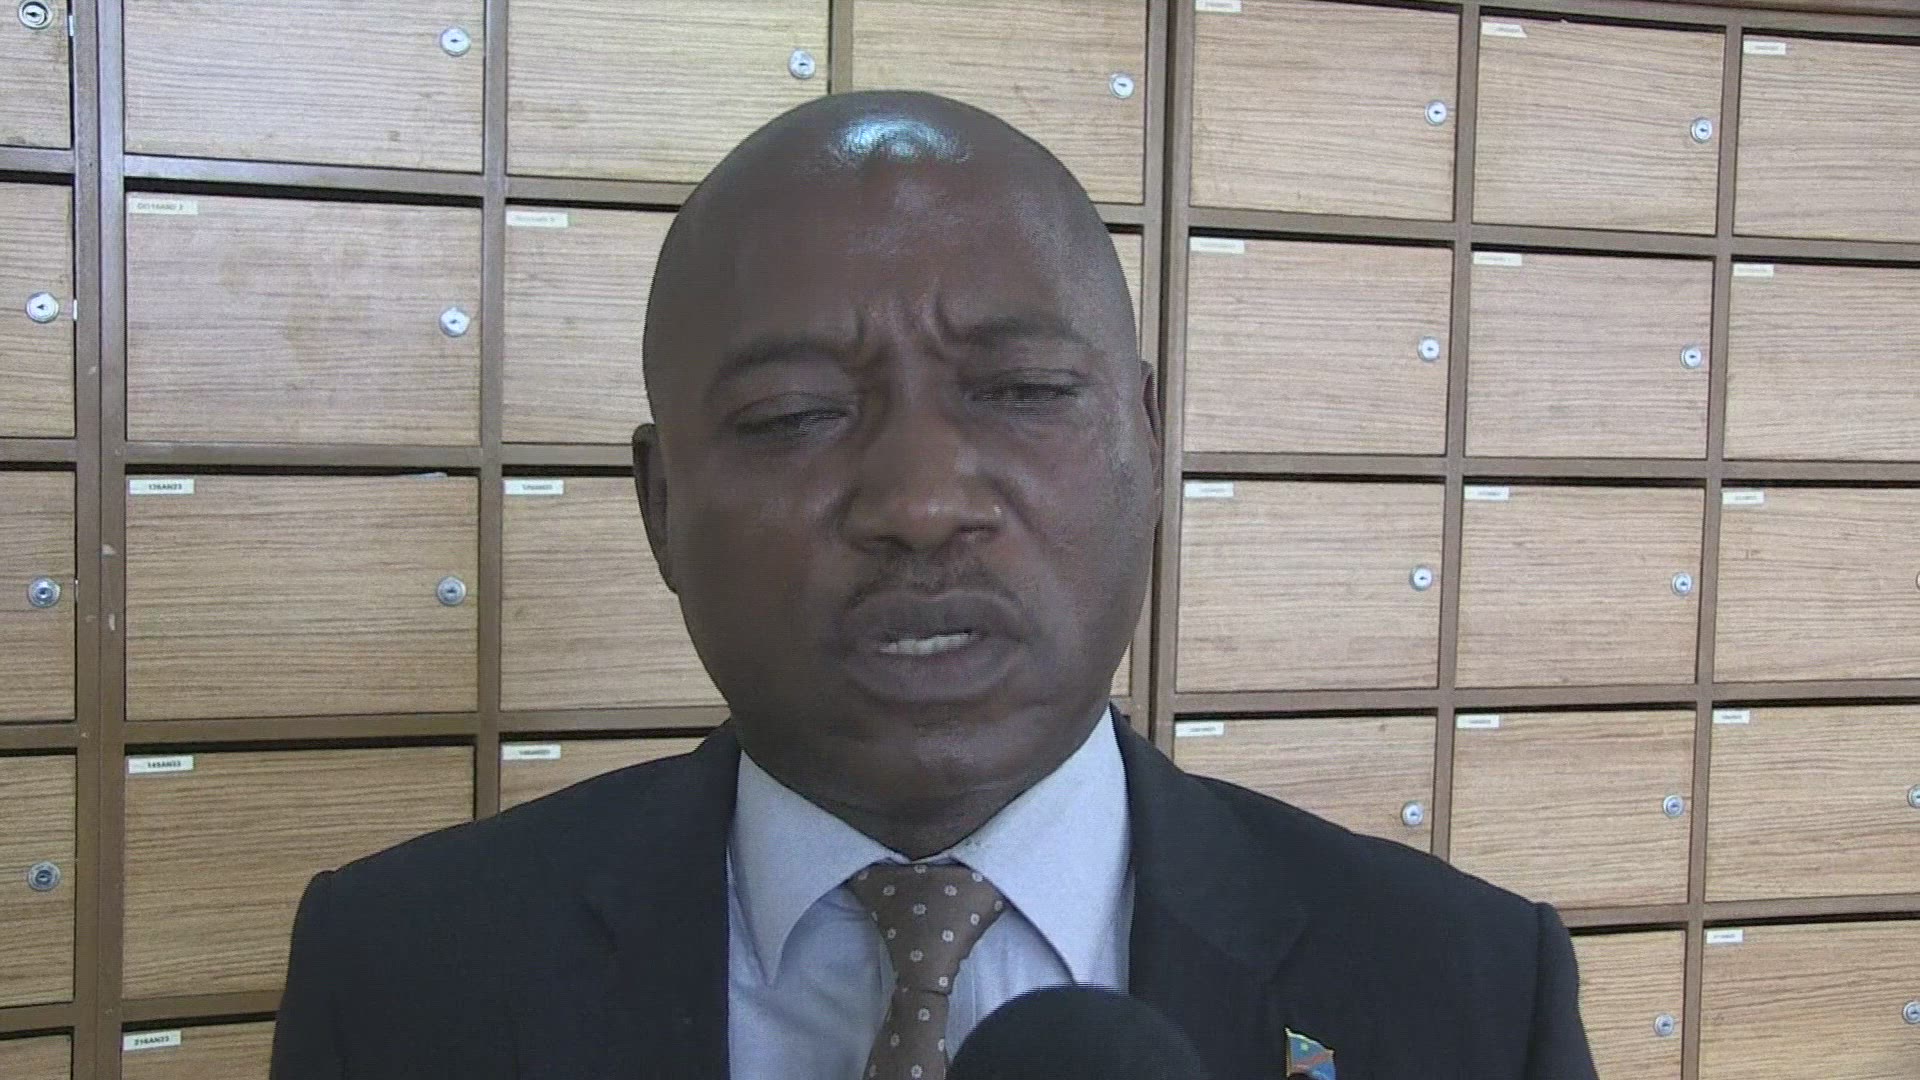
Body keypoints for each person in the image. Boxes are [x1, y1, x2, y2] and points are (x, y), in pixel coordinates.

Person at [269, 91, 1597, 1080]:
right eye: (794, 415)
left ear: (1148, 448)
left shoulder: (1469, 996)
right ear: (662, 507)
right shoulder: (400, 980)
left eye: (1022, 392)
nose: (919, 504)